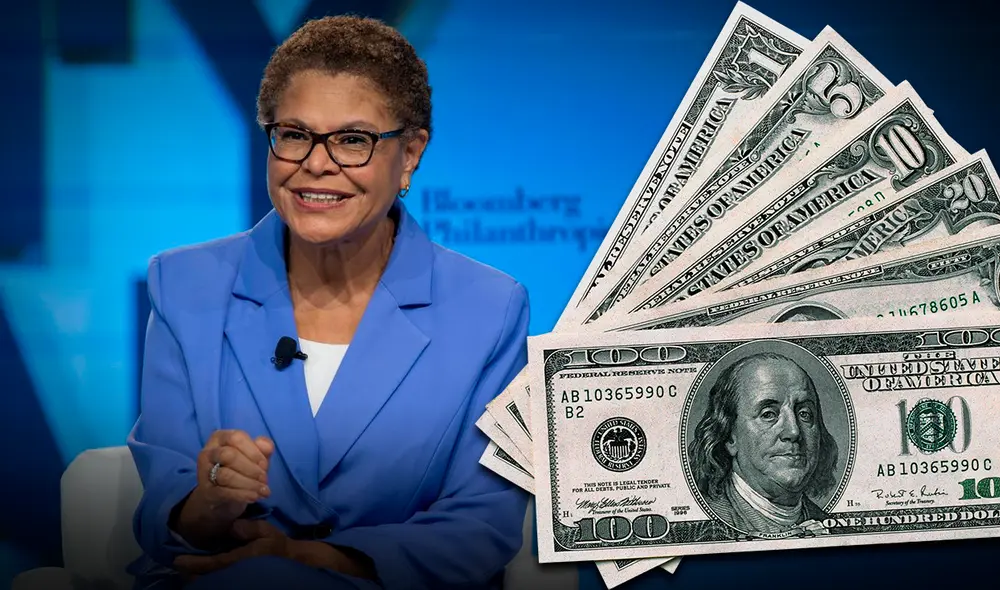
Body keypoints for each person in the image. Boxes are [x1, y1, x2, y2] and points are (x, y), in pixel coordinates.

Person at [125, 15, 530, 590]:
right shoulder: (185, 284)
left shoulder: (489, 308)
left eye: (352, 140)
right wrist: (209, 502)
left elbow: (480, 522)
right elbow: (163, 502)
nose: (317, 163)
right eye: (294, 134)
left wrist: (316, 562)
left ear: (410, 153)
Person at [688, 353, 838, 535]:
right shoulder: (706, 525)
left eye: (804, 414)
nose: (794, 431)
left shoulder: (833, 527)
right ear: (729, 436)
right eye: (768, 414)